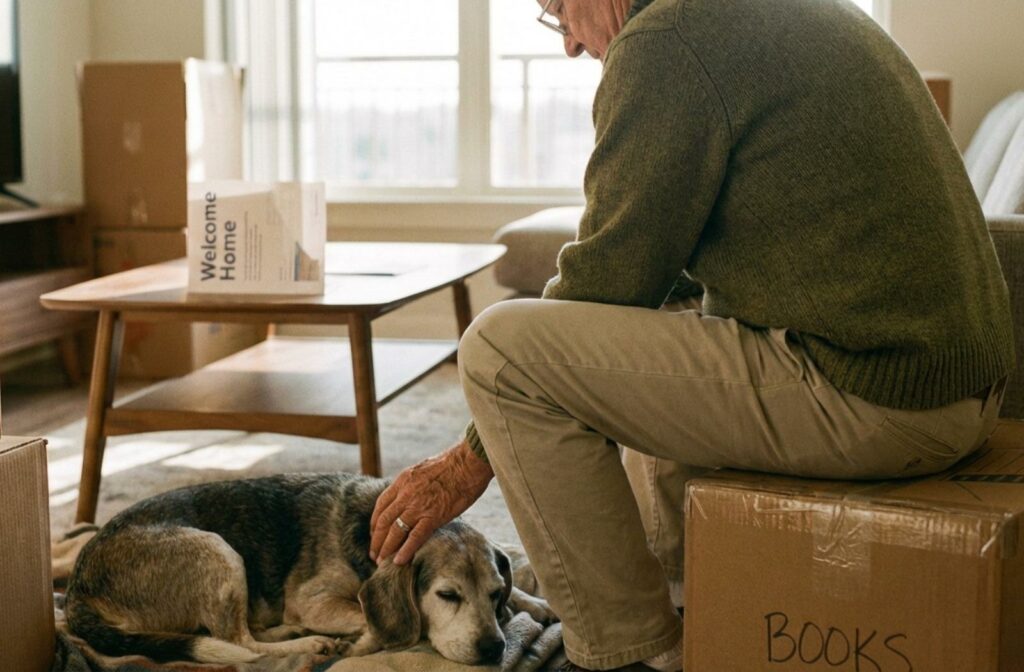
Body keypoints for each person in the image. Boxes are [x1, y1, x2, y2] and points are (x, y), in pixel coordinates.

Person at [369, 0, 1015, 670]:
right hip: (956, 388)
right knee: (658, 323)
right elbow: (649, 274)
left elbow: (606, 279)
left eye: (560, 13)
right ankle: (684, 602)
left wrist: (468, 459)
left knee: (500, 351)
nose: (568, 45)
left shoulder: (666, 40)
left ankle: (627, 651)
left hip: (879, 396)